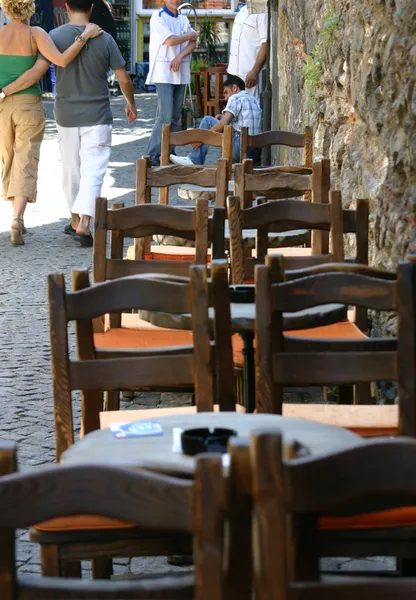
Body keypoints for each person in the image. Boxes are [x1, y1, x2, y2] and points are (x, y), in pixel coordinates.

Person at [0, 0, 102, 246]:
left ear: (6, 8)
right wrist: (84, 36)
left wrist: (3, 92)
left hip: (2, 106)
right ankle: (17, 218)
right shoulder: (36, 33)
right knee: (26, 159)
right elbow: (61, 60)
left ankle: (17, 219)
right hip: (28, 106)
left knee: (8, 159)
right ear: (30, 8)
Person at [42, 0, 137, 246]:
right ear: (92, 8)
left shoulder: (54, 36)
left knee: (71, 170)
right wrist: (131, 103)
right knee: (94, 170)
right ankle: (84, 222)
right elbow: (124, 79)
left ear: (65, 6)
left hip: (66, 115)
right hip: (98, 115)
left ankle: (74, 219)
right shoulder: (105, 39)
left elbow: (42, 67)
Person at [145, 0, 198, 166]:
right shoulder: (158, 17)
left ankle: (168, 154)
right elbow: (170, 41)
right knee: (165, 117)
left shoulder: (183, 19)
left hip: (180, 71)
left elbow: (193, 43)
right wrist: (188, 35)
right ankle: (152, 155)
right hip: (163, 73)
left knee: (175, 117)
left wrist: (179, 56)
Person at [170, 75, 261, 166]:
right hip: (254, 152)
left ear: (234, 88)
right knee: (221, 126)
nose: (225, 98)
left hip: (239, 147)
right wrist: (223, 117)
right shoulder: (254, 100)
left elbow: (224, 123)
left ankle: (194, 159)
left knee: (207, 120)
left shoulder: (235, 98)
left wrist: (202, 139)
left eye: (226, 92)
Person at [227, 1, 267, 99]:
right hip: (235, 75)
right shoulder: (241, 11)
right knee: (235, 110)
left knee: (250, 111)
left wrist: (255, 70)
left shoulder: (262, 11)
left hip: (250, 77)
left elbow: (266, 44)